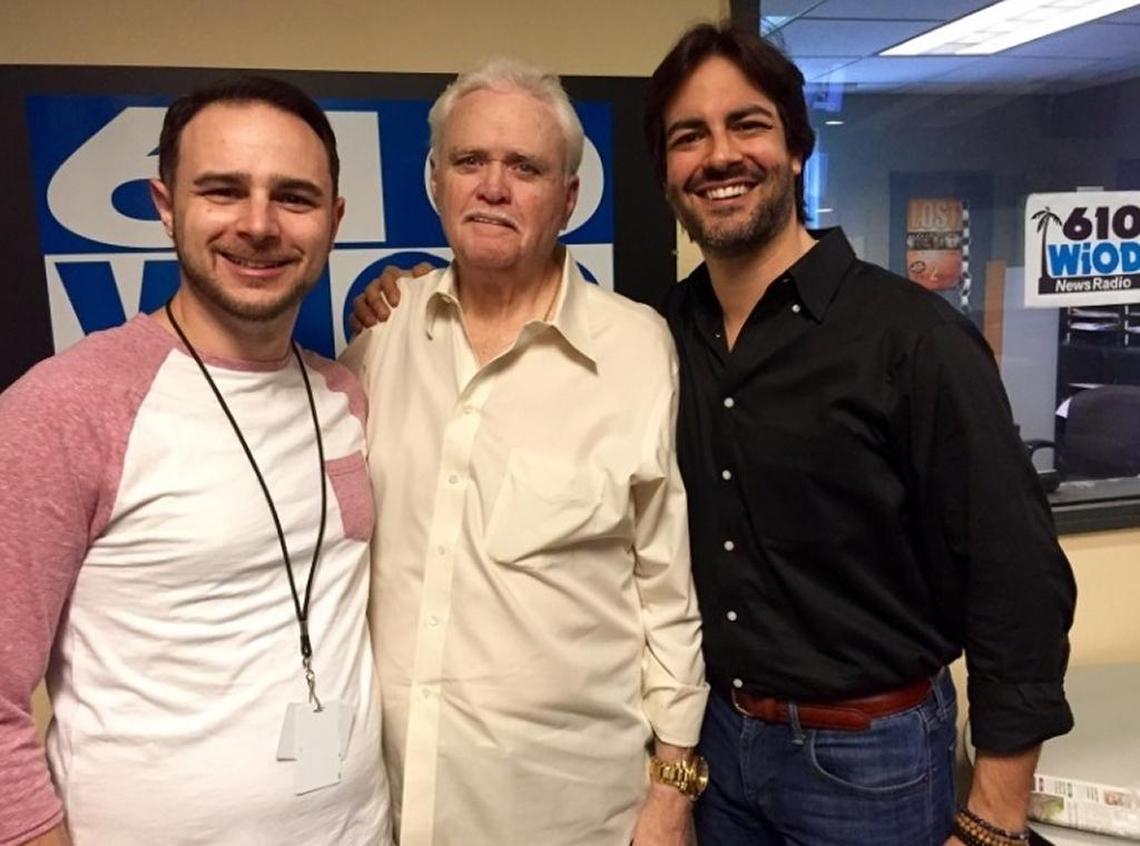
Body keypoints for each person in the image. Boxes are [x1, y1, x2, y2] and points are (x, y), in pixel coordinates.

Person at [353, 24, 1077, 846]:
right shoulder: (659, 337)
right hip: (719, 756)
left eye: (748, 125)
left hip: (870, 760)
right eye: (688, 137)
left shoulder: (911, 338)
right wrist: (392, 293)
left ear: (797, 150)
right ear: (665, 173)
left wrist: (994, 820)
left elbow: (1018, 579)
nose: (719, 155)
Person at [0, 76, 391, 845]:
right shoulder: (64, 410)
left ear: (335, 220)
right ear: (164, 204)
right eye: (223, 190)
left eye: (294, 197)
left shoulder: (349, 394)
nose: (258, 224)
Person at [339, 58, 708, 846]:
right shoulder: (380, 339)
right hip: (392, 809)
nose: (493, 187)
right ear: (436, 181)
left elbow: (667, 589)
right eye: (470, 161)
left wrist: (673, 790)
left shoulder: (637, 349)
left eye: (525, 167)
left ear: (569, 198)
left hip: (573, 814)